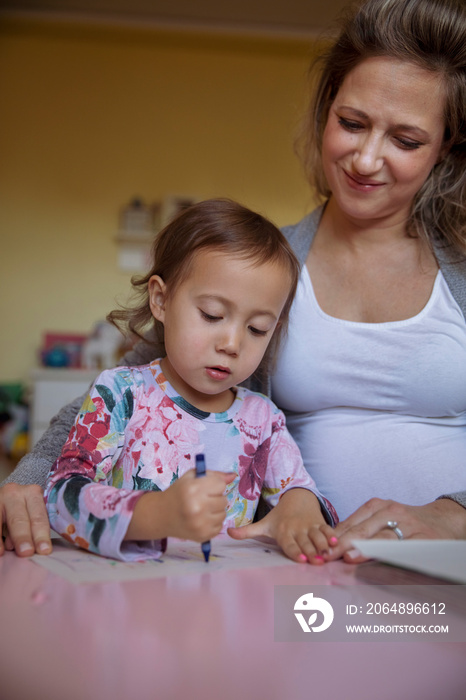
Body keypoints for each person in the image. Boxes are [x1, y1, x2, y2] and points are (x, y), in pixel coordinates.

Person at [2, 0, 466, 561]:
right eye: (351, 123)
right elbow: (126, 388)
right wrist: (24, 481)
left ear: (447, 147)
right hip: (303, 575)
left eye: (407, 140)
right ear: (325, 113)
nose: (366, 159)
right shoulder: (267, 268)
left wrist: (453, 512)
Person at [42, 198, 337, 562]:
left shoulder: (263, 420)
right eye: (212, 315)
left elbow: (297, 489)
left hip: (224, 601)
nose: (232, 344)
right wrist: (156, 514)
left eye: (257, 329)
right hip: (128, 595)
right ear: (161, 300)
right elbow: (60, 495)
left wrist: (299, 506)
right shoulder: (121, 394)